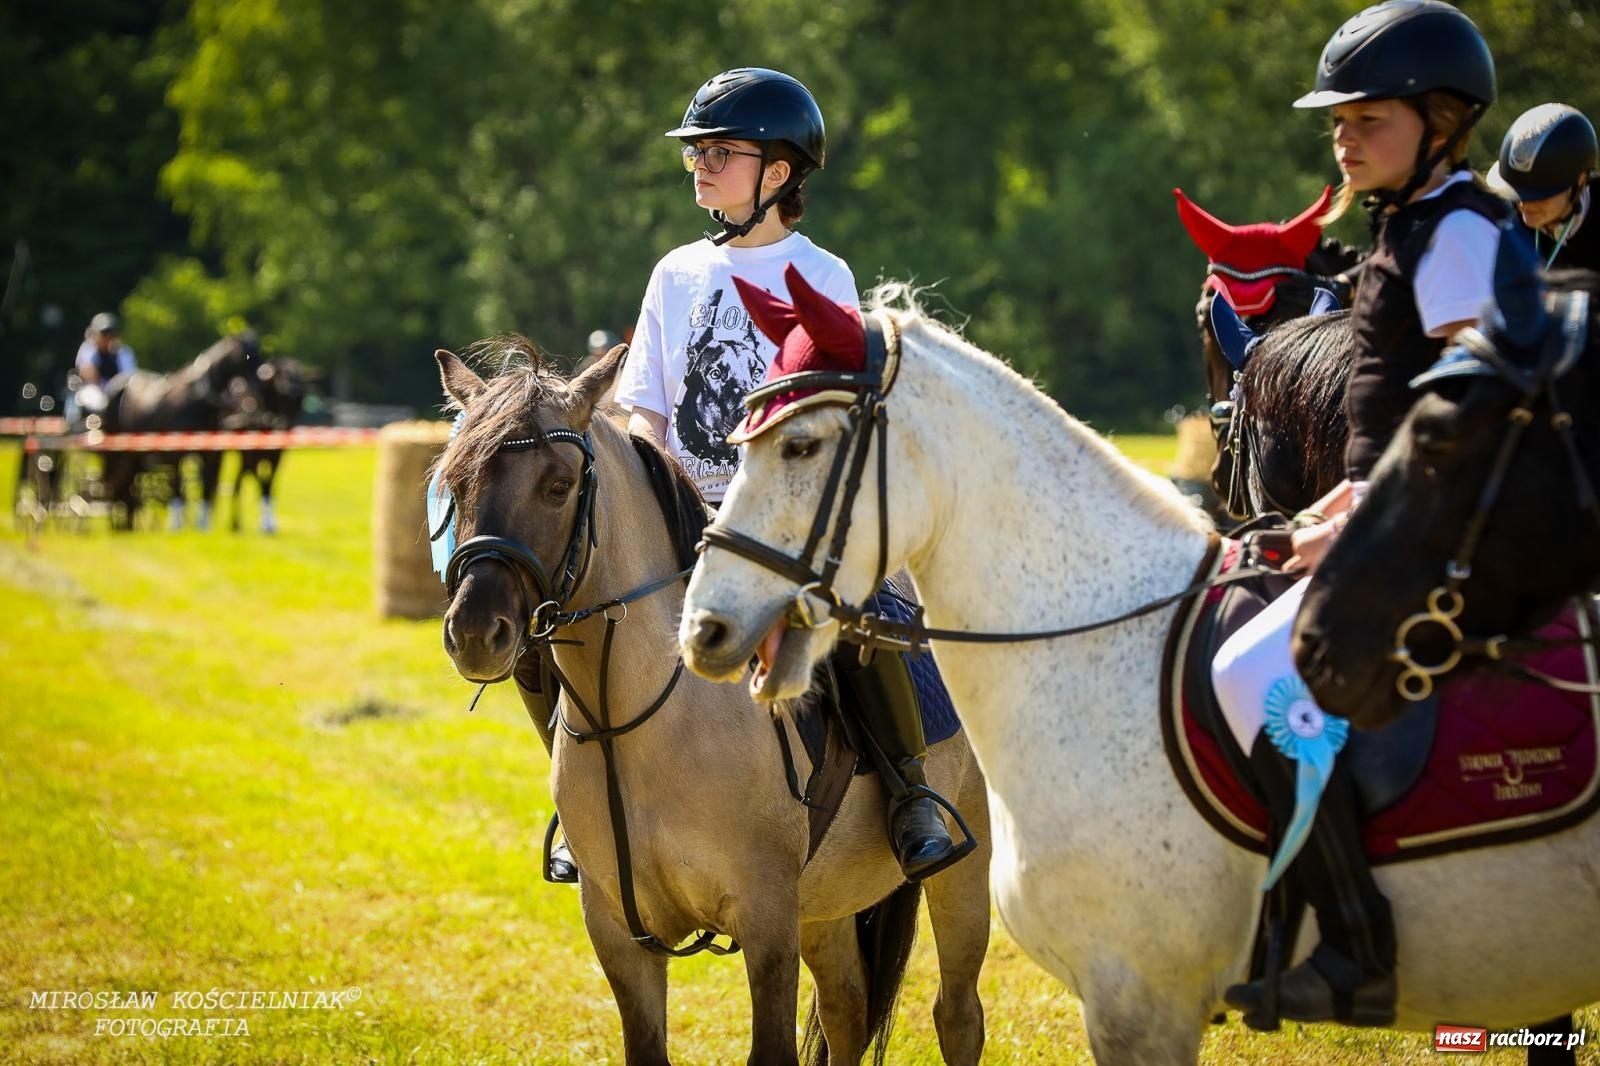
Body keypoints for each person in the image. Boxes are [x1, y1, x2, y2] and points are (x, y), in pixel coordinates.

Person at [1212, 0, 1508, 1027]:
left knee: (1253, 672)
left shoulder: (1460, 230)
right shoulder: (1407, 228)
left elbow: (1468, 407)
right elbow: (1390, 420)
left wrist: (1360, 517)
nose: (1341, 137)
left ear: (1439, 120)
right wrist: (1326, 503)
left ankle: (1353, 945)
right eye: (1334, 120)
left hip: (1450, 529)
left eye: (1366, 118)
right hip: (1395, 510)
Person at [611, 67, 968, 883]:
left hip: (785, 522)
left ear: (778, 173)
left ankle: (913, 791)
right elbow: (647, 412)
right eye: (694, 152)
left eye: (720, 152)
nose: (700, 165)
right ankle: (584, 806)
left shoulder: (825, 277)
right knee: (587, 616)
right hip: (683, 515)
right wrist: (657, 499)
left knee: (866, 616)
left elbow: (835, 421)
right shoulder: (673, 273)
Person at [1487, 103, 1600, 270]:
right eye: (1517, 194)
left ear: (1580, 181)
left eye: (1539, 194)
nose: (1524, 204)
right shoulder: (1505, 222)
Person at [74, 311, 137, 386]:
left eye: (111, 333)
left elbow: (130, 377)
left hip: (116, 391)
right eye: (104, 333)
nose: (107, 337)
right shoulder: (87, 349)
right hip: (91, 390)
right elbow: (89, 375)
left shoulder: (123, 352)